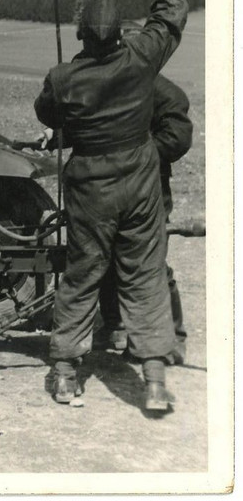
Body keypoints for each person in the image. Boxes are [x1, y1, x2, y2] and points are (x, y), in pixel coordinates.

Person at [33, 0, 187, 412]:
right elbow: (171, 14)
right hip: (140, 181)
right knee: (145, 274)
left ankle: (65, 375)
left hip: (90, 188)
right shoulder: (141, 59)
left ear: (82, 35)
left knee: (82, 273)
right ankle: (154, 383)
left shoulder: (62, 78)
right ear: (120, 34)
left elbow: (47, 114)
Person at [97, 72, 192, 364]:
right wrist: (54, 135)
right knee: (106, 256)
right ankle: (116, 326)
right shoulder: (109, 80)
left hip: (149, 187)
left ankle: (173, 338)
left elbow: (177, 138)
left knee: (151, 263)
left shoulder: (164, 92)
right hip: (108, 185)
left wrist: (136, 154)